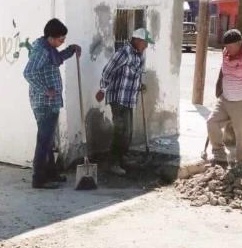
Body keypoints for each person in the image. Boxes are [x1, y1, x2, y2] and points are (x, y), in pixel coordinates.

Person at [23, 18, 81, 189]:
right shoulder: (41, 51)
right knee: (44, 140)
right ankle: (39, 178)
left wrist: (71, 50)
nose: (62, 42)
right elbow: (28, 73)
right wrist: (45, 90)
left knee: (48, 141)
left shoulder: (49, 49)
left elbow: (56, 59)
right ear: (51, 37)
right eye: (61, 40)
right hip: (44, 103)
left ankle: (51, 174)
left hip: (50, 102)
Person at [95, 28, 154, 176]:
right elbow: (107, 70)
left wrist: (139, 85)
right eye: (145, 43)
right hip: (118, 97)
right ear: (138, 40)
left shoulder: (139, 55)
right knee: (120, 131)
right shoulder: (124, 53)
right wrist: (102, 89)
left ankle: (122, 159)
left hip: (129, 99)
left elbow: (134, 74)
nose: (146, 46)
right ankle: (113, 163)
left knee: (128, 132)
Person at [206, 29, 242, 166]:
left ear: (239, 43)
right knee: (212, 122)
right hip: (225, 99)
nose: (227, 49)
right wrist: (219, 84)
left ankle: (241, 163)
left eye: (230, 46)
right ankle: (219, 155)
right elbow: (223, 68)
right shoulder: (226, 52)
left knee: (241, 133)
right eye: (225, 46)